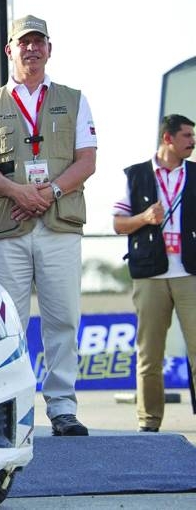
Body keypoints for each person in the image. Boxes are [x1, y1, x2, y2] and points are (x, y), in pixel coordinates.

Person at [0, 14, 97, 437]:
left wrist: (49, 194)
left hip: (58, 223)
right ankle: (13, 406)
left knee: (63, 318)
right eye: (23, 42)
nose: (31, 49)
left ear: (49, 48)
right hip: (9, 225)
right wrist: (20, 193)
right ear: (9, 50)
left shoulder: (74, 99)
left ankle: (62, 408)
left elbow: (87, 160)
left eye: (38, 42)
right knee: (9, 322)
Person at [112, 113, 196, 433]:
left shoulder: (195, 174)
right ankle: (149, 422)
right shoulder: (135, 176)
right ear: (168, 139)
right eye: (186, 135)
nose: (192, 141)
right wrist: (145, 217)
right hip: (150, 274)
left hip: (190, 272)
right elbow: (119, 224)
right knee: (149, 355)